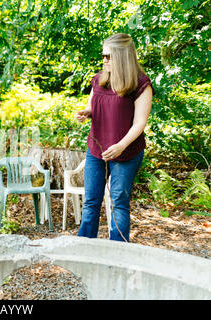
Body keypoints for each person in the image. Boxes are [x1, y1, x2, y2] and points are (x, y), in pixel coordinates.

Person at [74, 33, 154, 242]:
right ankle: (84, 250)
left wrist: (121, 145)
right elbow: (93, 106)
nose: (104, 61)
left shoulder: (140, 84)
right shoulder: (99, 80)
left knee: (118, 201)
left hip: (126, 152)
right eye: (103, 56)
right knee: (91, 201)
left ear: (123, 56)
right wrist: (86, 113)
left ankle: (118, 254)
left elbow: (139, 123)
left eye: (109, 56)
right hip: (97, 149)